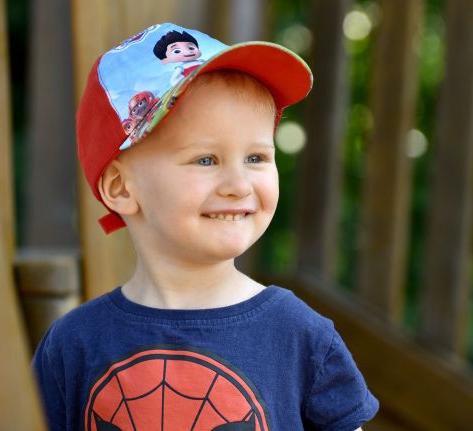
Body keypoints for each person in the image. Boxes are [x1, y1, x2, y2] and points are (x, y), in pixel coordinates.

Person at [32, 22, 379, 431]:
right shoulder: (72, 345)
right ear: (121, 188)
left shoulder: (299, 337)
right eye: (206, 160)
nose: (238, 185)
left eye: (255, 158)